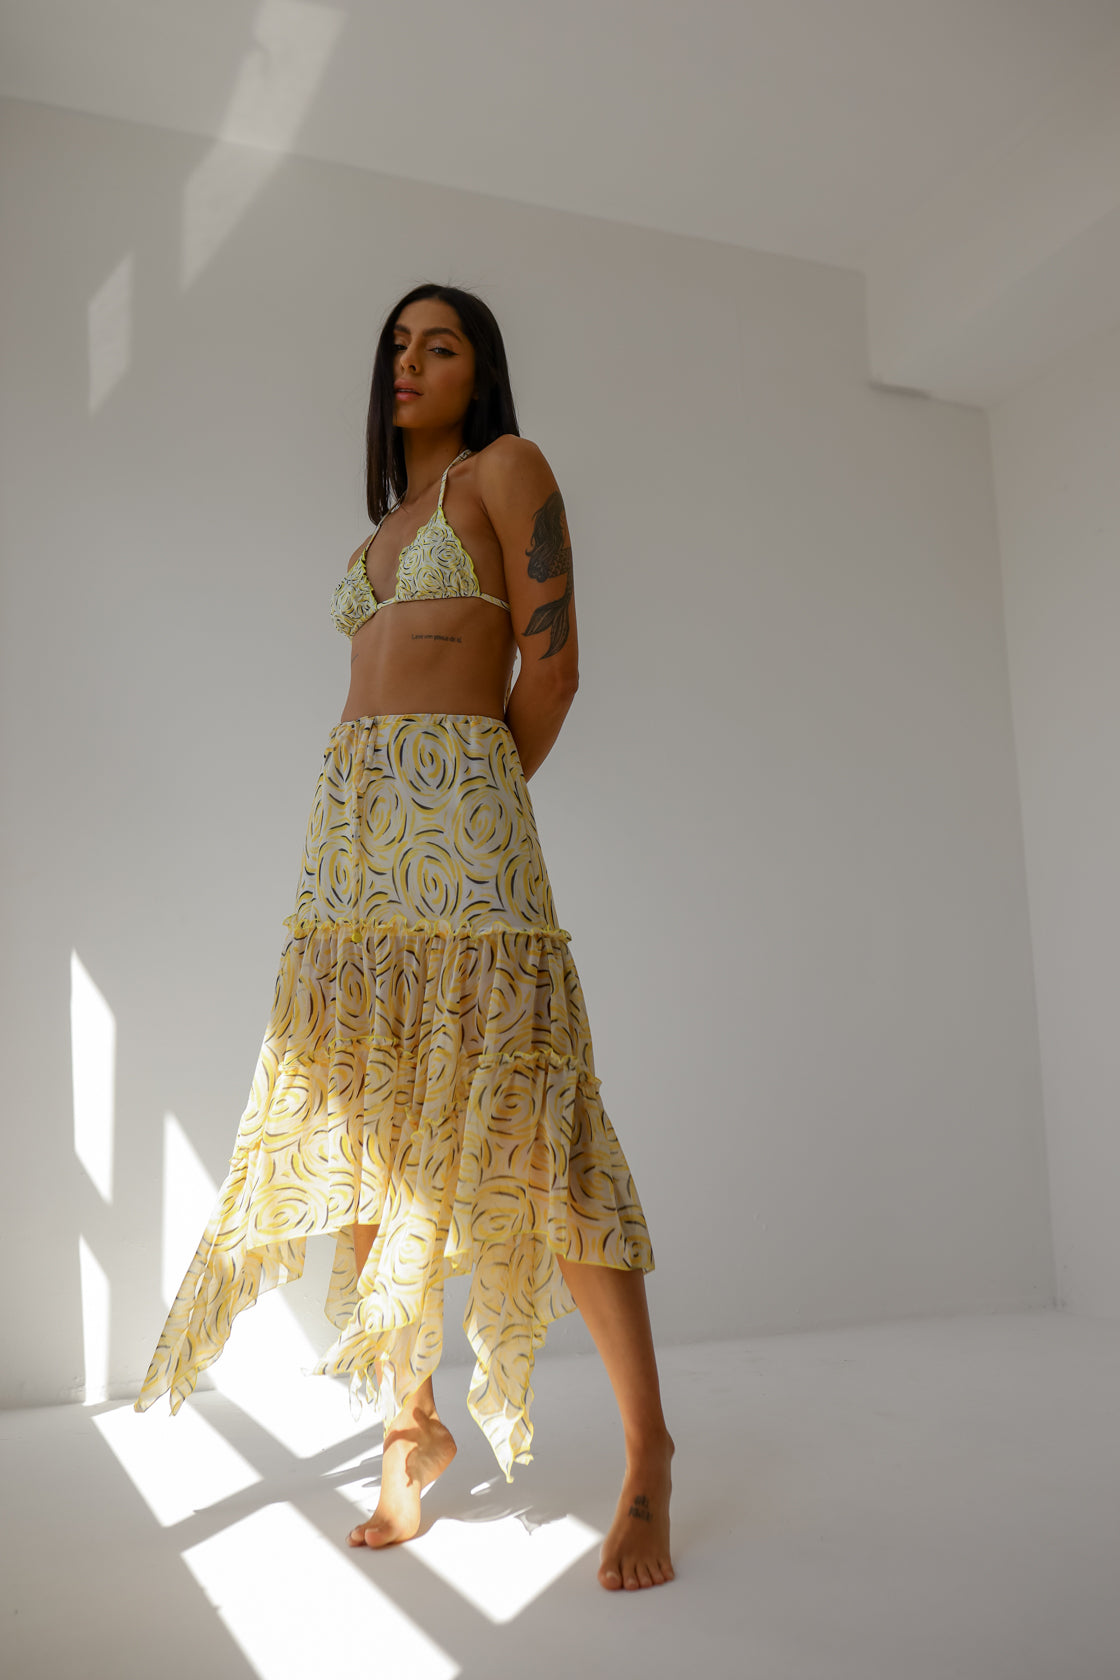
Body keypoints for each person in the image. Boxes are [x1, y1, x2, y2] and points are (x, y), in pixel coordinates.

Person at [134, 282, 675, 1592]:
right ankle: (410, 1424)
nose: (410, 363)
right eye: (395, 345)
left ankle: (649, 1451)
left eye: (440, 345)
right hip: (352, 854)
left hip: (461, 836)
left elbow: (552, 668)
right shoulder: (384, 529)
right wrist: (390, 817)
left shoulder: (507, 470)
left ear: (482, 373)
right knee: (364, 1138)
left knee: (539, 1131)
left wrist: (476, 805)